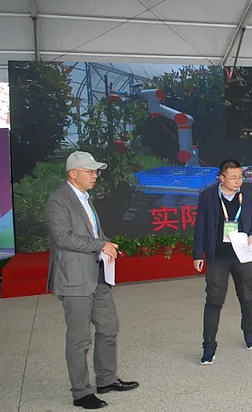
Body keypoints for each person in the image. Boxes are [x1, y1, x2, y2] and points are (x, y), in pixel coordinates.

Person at [45, 151, 139, 410]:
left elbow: (95, 232)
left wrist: (108, 244)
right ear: (73, 173)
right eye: (90, 171)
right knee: (79, 338)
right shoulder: (58, 200)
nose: (95, 175)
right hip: (74, 278)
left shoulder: (86, 199)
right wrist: (100, 245)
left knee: (109, 326)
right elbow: (63, 237)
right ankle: (81, 392)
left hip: (97, 274)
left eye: (96, 171)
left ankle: (106, 379)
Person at [193, 159, 252, 365]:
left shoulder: (247, 193)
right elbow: (200, 226)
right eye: (233, 177)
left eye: (240, 177)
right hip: (218, 256)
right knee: (214, 300)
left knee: (247, 296)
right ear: (221, 178)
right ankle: (209, 346)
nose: (238, 181)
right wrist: (198, 254)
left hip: (243, 255)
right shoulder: (208, 196)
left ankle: (249, 333)